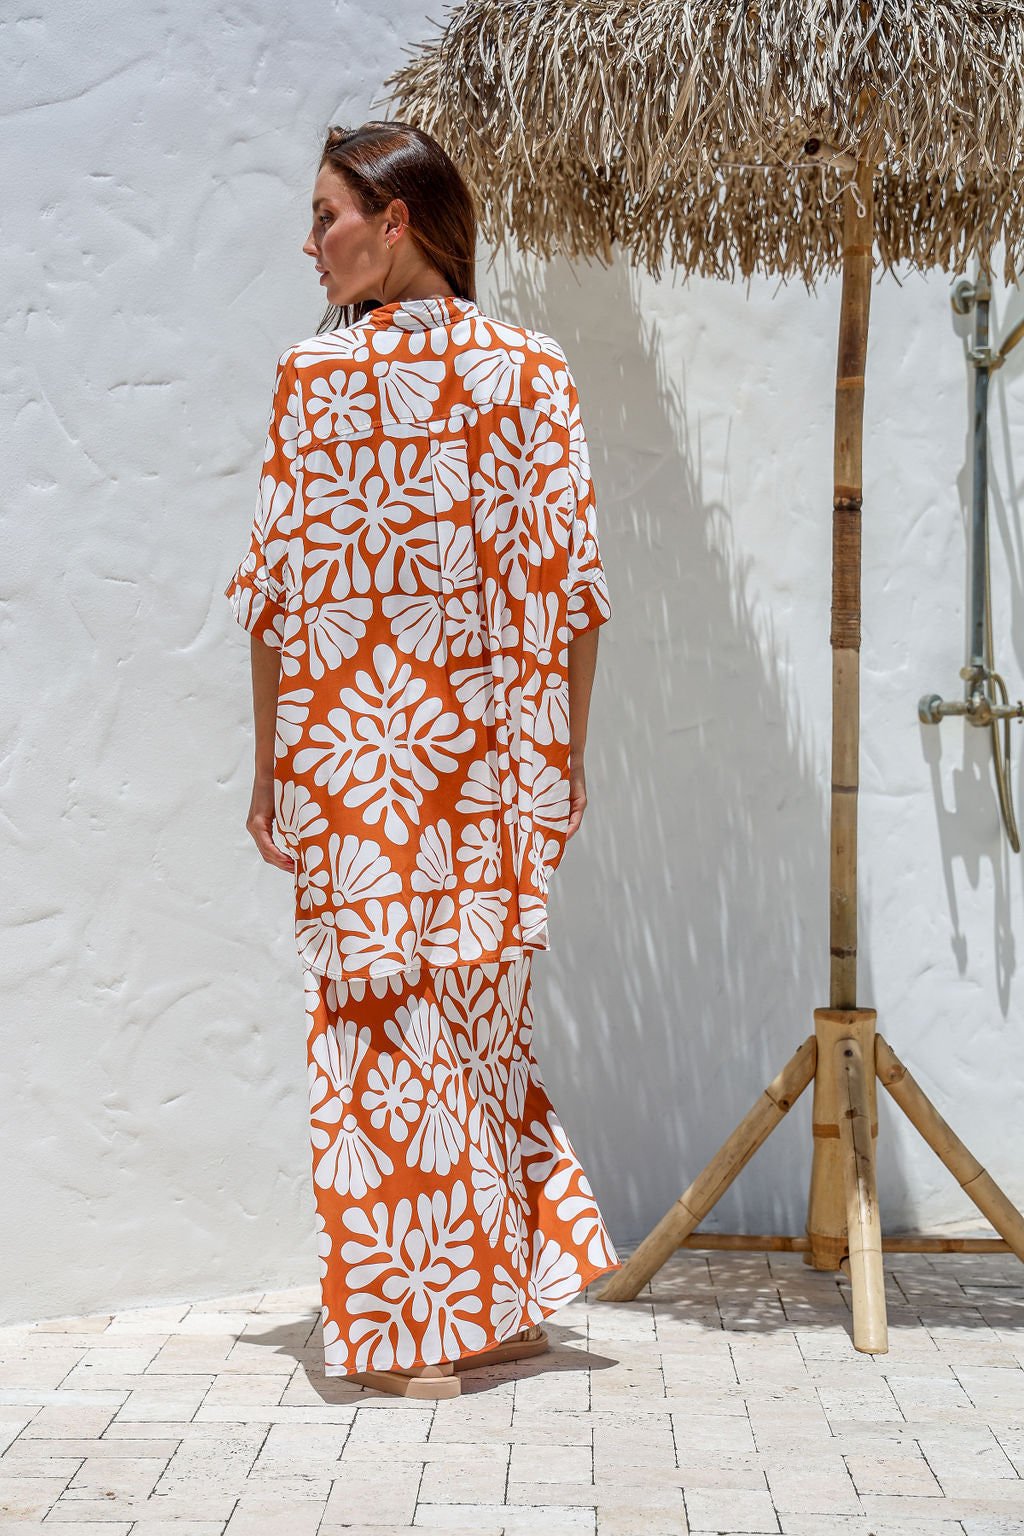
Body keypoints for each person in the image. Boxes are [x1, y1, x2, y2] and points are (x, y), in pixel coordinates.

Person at [224, 120, 620, 1399]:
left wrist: (271, 766)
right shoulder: (536, 370)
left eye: (328, 215)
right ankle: (499, 1310)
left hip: (355, 762)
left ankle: (411, 1338)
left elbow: (277, 600)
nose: (310, 241)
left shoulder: (312, 380)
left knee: (380, 1041)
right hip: (495, 767)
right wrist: (564, 763)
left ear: (395, 223)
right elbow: (574, 596)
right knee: (479, 1027)